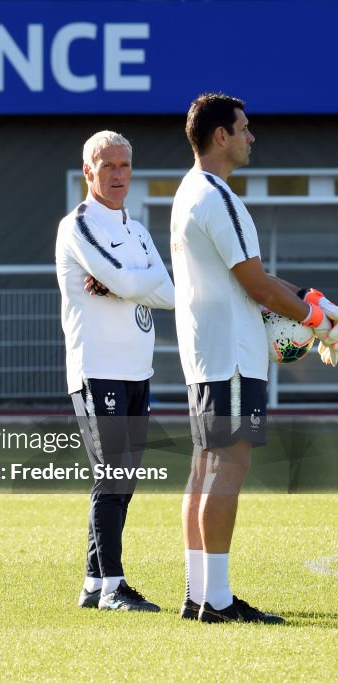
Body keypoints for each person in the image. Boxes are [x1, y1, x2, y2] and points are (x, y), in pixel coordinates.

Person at [171, 93, 338, 624]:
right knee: (227, 467)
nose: (251, 136)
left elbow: (257, 278)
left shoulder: (190, 191)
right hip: (231, 357)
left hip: (208, 355)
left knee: (204, 469)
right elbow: (257, 285)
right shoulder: (219, 197)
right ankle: (215, 600)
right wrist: (316, 321)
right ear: (220, 135)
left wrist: (317, 303)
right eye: (243, 128)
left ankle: (199, 593)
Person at [56, 130, 175, 612]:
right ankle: (113, 588)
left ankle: (92, 583)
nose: (119, 174)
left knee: (123, 479)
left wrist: (124, 285)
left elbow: (167, 293)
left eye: (125, 165)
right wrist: (128, 282)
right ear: (89, 172)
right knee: (113, 474)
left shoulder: (139, 230)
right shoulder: (78, 224)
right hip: (97, 368)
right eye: (108, 166)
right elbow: (134, 278)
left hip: (136, 370)